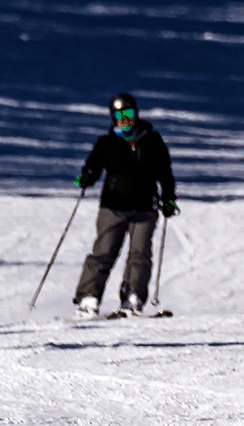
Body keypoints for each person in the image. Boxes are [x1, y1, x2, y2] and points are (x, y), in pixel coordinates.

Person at [73, 93, 179, 319]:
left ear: (136, 114)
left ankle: (133, 297)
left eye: (128, 114)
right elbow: (92, 166)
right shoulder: (106, 143)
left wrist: (168, 198)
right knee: (104, 252)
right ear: (113, 117)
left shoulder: (152, 141)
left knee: (140, 254)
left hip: (145, 208)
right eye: (119, 115)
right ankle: (88, 298)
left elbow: (165, 174)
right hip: (113, 207)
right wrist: (86, 177)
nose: (125, 120)